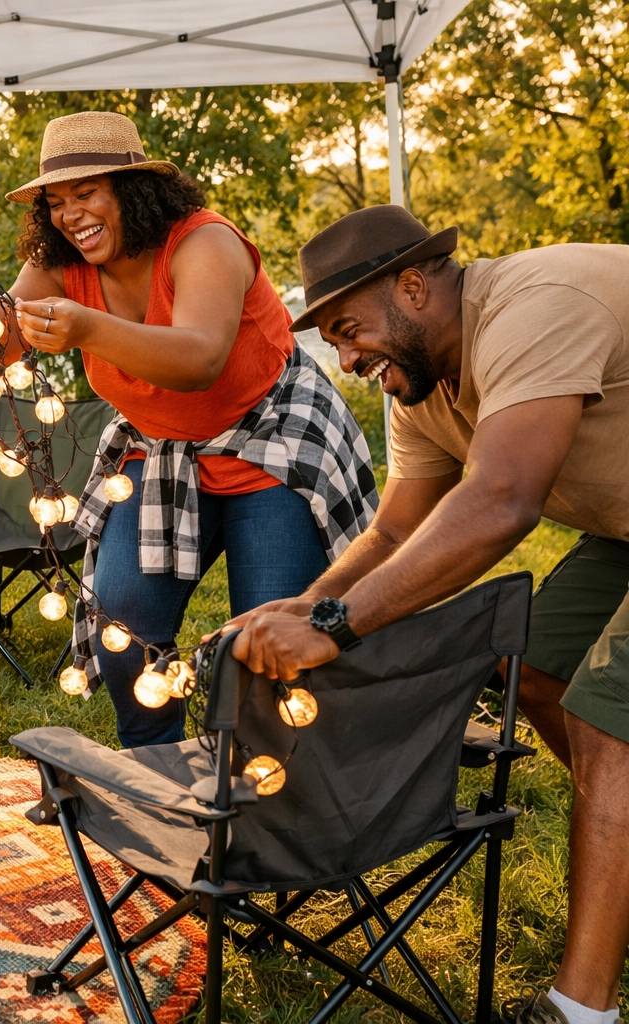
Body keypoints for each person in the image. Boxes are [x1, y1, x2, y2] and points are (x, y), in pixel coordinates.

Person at [229, 204, 629, 1024]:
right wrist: (305, 603)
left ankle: (580, 1010)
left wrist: (335, 629)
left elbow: (501, 500)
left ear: (413, 287)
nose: (344, 359)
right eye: (332, 342)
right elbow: (397, 530)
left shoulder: (537, 305)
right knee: (537, 672)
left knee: (610, 721)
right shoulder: (424, 387)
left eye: (348, 329)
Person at [0, 110, 376, 748]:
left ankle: (261, 797)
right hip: (161, 450)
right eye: (55, 201)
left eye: (86, 194)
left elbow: (199, 359)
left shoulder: (204, 242)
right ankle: (158, 768)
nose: (70, 215)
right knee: (124, 616)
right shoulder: (60, 264)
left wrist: (89, 329)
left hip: (271, 440)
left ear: (133, 190)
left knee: (267, 639)